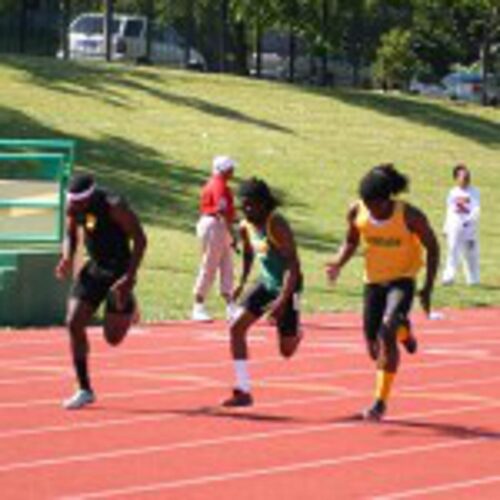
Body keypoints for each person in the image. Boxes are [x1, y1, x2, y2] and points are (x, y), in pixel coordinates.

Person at [326, 164, 439, 421]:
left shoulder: (410, 216)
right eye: (365, 203)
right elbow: (352, 240)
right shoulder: (357, 210)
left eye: (374, 204)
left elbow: (433, 247)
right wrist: (337, 263)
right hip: (373, 282)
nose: (370, 209)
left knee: (386, 329)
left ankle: (379, 403)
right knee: (373, 346)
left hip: (402, 279)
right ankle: (404, 331)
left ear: (387, 200)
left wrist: (428, 287)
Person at [55, 173, 147, 410]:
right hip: (95, 267)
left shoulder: (113, 205)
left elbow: (140, 238)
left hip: (119, 269)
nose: (74, 207)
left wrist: (130, 276)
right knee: (73, 322)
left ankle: (129, 303)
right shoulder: (73, 206)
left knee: (113, 339)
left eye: (78, 203)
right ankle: (84, 389)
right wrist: (66, 257)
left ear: (90, 197)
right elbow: (70, 233)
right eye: (71, 202)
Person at [222, 178, 303, 407]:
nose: (246, 209)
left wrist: (282, 300)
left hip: (289, 285)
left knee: (286, 351)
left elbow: (292, 266)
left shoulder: (276, 224)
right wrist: (241, 281)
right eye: (243, 205)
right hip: (266, 283)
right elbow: (248, 253)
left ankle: (297, 333)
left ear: (264, 204)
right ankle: (243, 389)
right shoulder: (245, 226)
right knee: (236, 328)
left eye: (252, 205)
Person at [192, 155, 237, 321]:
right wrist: (232, 233)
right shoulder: (219, 186)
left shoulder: (217, 184)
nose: (233, 171)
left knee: (227, 266)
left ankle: (231, 305)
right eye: (231, 168)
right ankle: (198, 305)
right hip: (215, 225)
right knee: (210, 265)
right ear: (224, 170)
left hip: (216, 225)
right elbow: (221, 211)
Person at [442, 163, 480, 285]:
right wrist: (446, 227)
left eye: (467, 176)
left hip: (469, 227)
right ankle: (449, 277)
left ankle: (473, 279)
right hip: (455, 225)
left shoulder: (474, 191)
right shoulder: (452, 192)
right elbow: (449, 210)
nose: (466, 179)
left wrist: (470, 221)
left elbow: (476, 209)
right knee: (452, 250)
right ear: (456, 178)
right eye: (463, 176)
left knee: (471, 254)